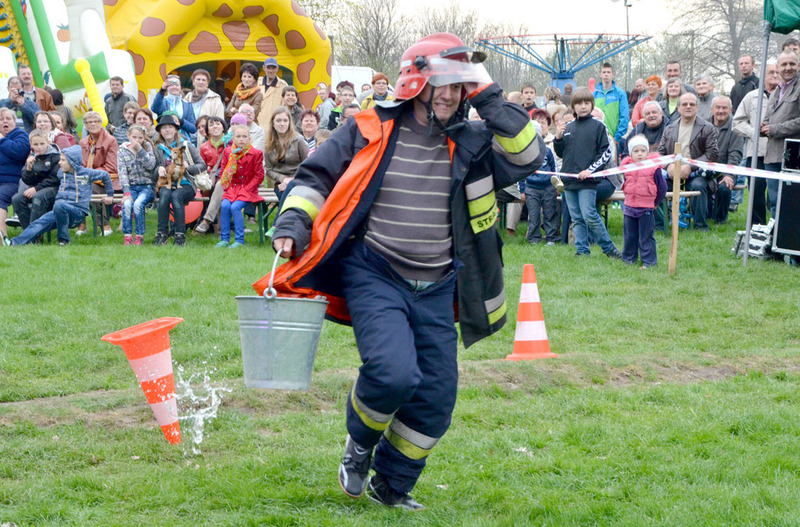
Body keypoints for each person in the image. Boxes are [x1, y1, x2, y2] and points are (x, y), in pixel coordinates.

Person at [267, 32, 543, 510]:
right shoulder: (370, 127)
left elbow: (528, 155)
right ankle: (358, 449)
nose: (451, 95)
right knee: (393, 374)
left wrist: (487, 92)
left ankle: (391, 485)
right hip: (376, 272)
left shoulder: (473, 140)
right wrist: (293, 221)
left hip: (437, 286)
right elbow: (315, 176)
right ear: (416, 82)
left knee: (435, 399)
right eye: (444, 84)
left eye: (460, 87)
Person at [553, 87, 622, 258]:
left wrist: (589, 171)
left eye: (586, 103)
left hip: (588, 181)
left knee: (590, 215)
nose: (583, 106)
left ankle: (609, 248)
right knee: (576, 218)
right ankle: (582, 250)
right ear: (573, 106)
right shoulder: (568, 127)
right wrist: (558, 139)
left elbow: (606, 152)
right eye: (579, 103)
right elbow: (562, 153)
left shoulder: (599, 126)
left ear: (591, 105)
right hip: (569, 181)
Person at [4, 146, 113, 246]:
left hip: (77, 213)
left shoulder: (86, 173)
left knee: (60, 205)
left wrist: (110, 195)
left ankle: (63, 240)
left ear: (72, 162)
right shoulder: (61, 173)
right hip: (59, 211)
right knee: (38, 223)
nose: (59, 163)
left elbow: (105, 176)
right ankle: (13, 242)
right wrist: (30, 169)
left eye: (63, 160)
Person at [658, 92, 719, 231]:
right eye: (684, 104)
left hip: (697, 174)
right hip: (672, 174)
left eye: (692, 104)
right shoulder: (669, 128)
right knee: (655, 185)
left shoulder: (707, 128)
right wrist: (668, 166)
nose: (688, 107)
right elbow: (661, 153)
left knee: (698, 186)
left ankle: (700, 226)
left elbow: (712, 153)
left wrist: (690, 167)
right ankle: (659, 225)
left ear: (697, 108)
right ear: (678, 108)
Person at [733, 61, 780, 224]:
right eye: (770, 72)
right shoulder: (752, 97)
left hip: (780, 154)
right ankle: (756, 229)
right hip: (756, 153)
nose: (775, 75)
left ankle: (778, 230)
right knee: (755, 193)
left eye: (777, 72)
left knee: (777, 195)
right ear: (763, 75)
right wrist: (754, 132)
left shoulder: (788, 97)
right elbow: (737, 122)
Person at [151, 112, 206, 246]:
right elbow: (151, 173)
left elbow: (202, 165)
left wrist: (189, 167)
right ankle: (162, 233)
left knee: (176, 196)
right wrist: (158, 169)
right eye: (164, 128)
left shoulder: (186, 145)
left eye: (170, 127)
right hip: (167, 183)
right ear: (160, 131)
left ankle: (180, 235)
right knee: (164, 195)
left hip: (186, 184)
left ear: (176, 129)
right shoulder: (157, 148)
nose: (167, 130)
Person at [761, 50, 800, 218]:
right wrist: (764, 126)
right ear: (778, 68)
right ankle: (775, 240)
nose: (788, 68)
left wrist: (775, 129)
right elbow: (770, 117)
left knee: (791, 203)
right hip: (772, 155)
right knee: (774, 202)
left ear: (799, 65)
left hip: (793, 156)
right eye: (784, 64)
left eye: (792, 64)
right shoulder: (777, 89)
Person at [620, 135, 667, 268]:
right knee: (629, 236)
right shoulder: (627, 168)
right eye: (636, 151)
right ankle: (628, 259)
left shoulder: (654, 168)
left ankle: (649, 262)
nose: (640, 154)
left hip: (646, 209)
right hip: (629, 208)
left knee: (646, 237)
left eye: (643, 150)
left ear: (647, 152)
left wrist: (655, 202)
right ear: (630, 153)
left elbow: (662, 188)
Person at [215, 125, 265, 248]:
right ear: (233, 138)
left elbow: (259, 176)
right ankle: (225, 239)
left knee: (236, 207)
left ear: (249, 138)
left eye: (244, 136)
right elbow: (222, 172)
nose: (241, 139)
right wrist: (226, 187)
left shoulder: (256, 153)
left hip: (248, 189)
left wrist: (248, 189)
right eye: (238, 136)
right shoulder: (228, 152)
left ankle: (239, 240)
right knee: (225, 205)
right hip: (232, 188)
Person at [78, 110, 118, 236]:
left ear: (101, 123)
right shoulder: (83, 142)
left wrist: (90, 175)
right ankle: (81, 224)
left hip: (107, 179)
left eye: (96, 121)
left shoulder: (110, 141)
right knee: (75, 187)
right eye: (89, 122)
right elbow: (81, 164)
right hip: (88, 178)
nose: (93, 124)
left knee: (91, 189)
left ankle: (104, 225)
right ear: (85, 125)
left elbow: (111, 167)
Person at [12, 129, 60, 231]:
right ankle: (28, 231)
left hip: (53, 188)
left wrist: (36, 188)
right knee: (17, 199)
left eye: (42, 143)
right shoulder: (32, 157)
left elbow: (55, 179)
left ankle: (36, 233)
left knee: (38, 198)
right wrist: (29, 169)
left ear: (48, 142)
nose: (39, 147)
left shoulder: (55, 156)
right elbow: (26, 180)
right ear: (31, 144)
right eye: (36, 144)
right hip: (35, 188)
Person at [118, 124, 157, 245]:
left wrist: (141, 151)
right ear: (128, 136)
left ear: (144, 138)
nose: (137, 140)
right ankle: (127, 236)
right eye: (134, 137)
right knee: (128, 204)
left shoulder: (148, 148)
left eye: (140, 137)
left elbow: (151, 165)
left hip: (147, 186)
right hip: (131, 187)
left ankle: (139, 236)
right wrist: (126, 192)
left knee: (138, 205)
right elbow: (122, 172)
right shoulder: (122, 151)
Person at [708, 96, 743, 224]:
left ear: (730, 110)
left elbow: (735, 154)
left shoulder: (736, 128)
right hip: (705, 170)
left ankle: (720, 220)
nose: (721, 111)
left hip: (727, 170)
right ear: (712, 109)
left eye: (724, 108)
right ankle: (705, 215)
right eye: (718, 107)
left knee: (724, 188)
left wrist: (729, 175)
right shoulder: (703, 125)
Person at [524, 121, 559, 245]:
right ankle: (534, 238)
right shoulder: (524, 152)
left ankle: (551, 238)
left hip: (548, 187)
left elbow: (555, 169)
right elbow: (520, 172)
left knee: (550, 213)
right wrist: (522, 189)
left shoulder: (548, 151)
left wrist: (556, 185)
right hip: (531, 188)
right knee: (533, 215)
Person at [0, 111, 33, 241]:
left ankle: (2, 236)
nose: (5, 121)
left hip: (13, 182)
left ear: (14, 121)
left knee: (0, 196)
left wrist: (2, 140)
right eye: (1, 119)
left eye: (8, 119)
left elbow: (19, 152)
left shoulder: (20, 135)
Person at [194, 116, 230, 235]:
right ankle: (215, 227)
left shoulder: (230, 144)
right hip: (210, 178)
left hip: (227, 178)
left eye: (218, 123)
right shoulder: (204, 147)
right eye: (211, 124)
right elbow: (201, 166)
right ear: (207, 130)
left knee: (220, 185)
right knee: (209, 187)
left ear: (223, 127)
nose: (215, 126)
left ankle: (206, 221)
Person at [264, 106, 308, 197]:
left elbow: (307, 164)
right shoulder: (269, 144)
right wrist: (283, 179)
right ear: (273, 123)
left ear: (289, 123)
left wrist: (293, 179)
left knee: (292, 193)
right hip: (280, 182)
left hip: (299, 179)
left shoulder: (299, 140)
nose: (282, 124)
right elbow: (269, 170)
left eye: (285, 120)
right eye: (278, 121)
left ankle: (282, 212)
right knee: (285, 193)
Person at [593, 62, 629, 147]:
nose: (606, 74)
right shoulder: (594, 94)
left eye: (608, 72)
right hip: (596, 139)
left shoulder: (620, 93)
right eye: (604, 72)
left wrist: (617, 138)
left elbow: (624, 117)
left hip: (613, 139)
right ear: (600, 75)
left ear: (613, 75)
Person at [151, 74, 197, 139]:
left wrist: (181, 122)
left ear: (180, 87)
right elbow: (154, 108)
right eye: (171, 85)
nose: (174, 87)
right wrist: (162, 90)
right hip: (165, 140)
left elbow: (194, 128)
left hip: (182, 141)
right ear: (167, 87)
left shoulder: (187, 105)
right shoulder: (163, 102)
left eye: (177, 85)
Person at [256, 57, 287, 126]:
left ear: (277, 69)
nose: (271, 71)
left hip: (273, 126)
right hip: (256, 125)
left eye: (273, 68)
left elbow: (285, 107)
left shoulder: (283, 86)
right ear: (264, 68)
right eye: (268, 67)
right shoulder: (257, 82)